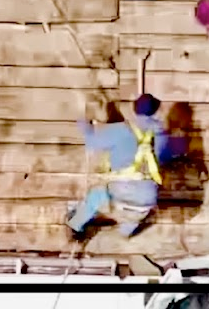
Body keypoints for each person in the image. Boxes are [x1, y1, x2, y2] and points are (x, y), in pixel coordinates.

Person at [67, 94, 183, 239]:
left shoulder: (122, 130)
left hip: (122, 193)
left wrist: (84, 122)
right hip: (148, 200)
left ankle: (75, 225)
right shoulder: (161, 134)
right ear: (156, 110)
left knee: (97, 195)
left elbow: (91, 142)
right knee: (133, 212)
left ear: (133, 109)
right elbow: (170, 154)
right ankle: (125, 232)